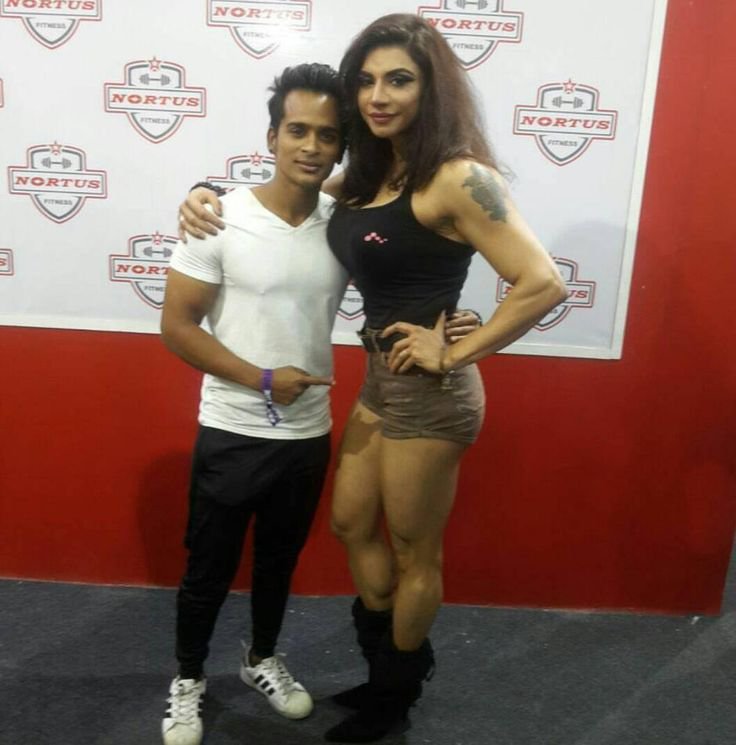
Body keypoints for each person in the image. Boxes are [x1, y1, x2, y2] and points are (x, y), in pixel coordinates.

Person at [179, 13, 567, 743]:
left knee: (416, 550)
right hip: (380, 383)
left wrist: (454, 352)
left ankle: (394, 692)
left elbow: (543, 283)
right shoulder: (365, 178)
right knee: (352, 523)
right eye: (366, 81)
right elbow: (288, 200)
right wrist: (206, 193)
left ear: (431, 89)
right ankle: (389, 660)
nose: (379, 95)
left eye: (399, 80)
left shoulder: (458, 176)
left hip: (433, 393)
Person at [159, 63, 348, 745]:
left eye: (327, 134)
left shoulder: (344, 226)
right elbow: (177, 327)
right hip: (233, 429)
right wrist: (263, 378)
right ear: (272, 137)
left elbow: (409, 262)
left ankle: (261, 658)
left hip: (308, 433)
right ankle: (188, 678)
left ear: (341, 147)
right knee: (206, 570)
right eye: (297, 130)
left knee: (278, 562)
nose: (311, 145)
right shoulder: (218, 216)